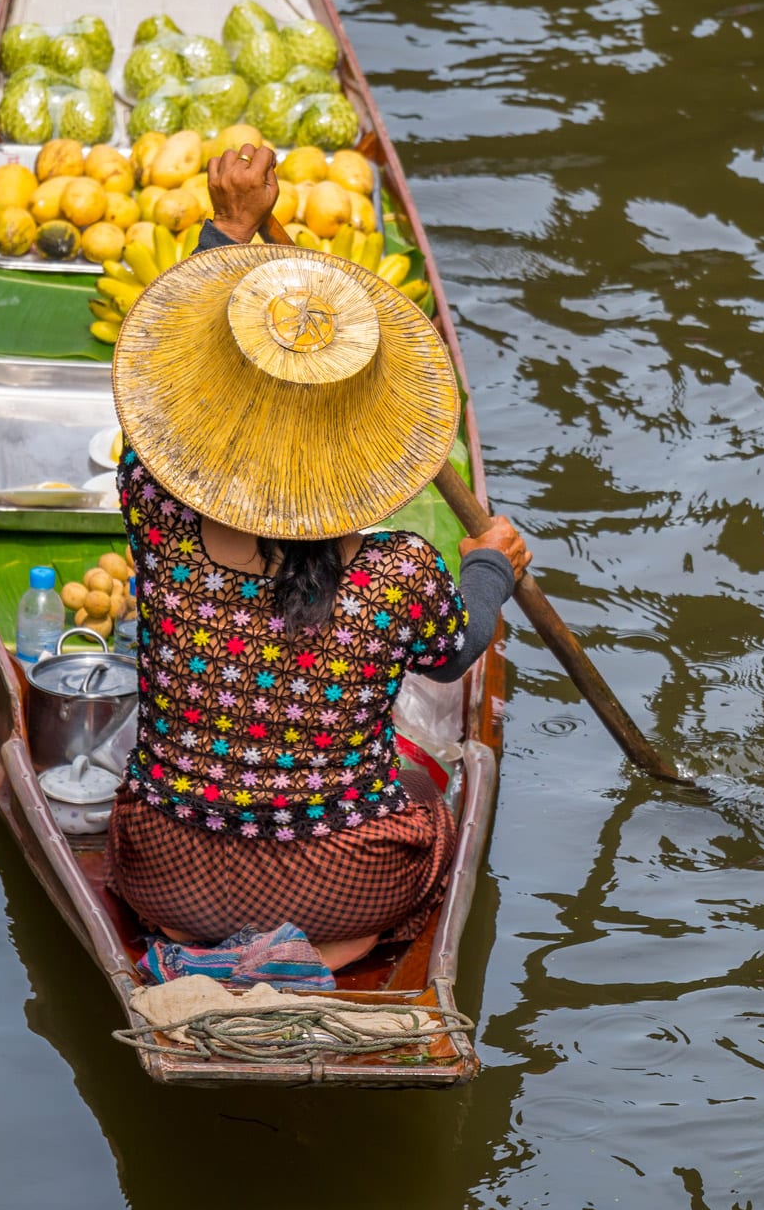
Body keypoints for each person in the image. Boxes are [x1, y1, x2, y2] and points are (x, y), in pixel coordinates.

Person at [106, 143, 531, 973]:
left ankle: (213, 950)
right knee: (428, 821)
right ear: (363, 456)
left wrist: (226, 230)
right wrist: (489, 565)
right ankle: (328, 952)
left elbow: (153, 425)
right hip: (341, 883)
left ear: (215, 436)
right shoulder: (402, 570)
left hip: (166, 877)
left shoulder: (158, 515)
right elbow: (452, 657)